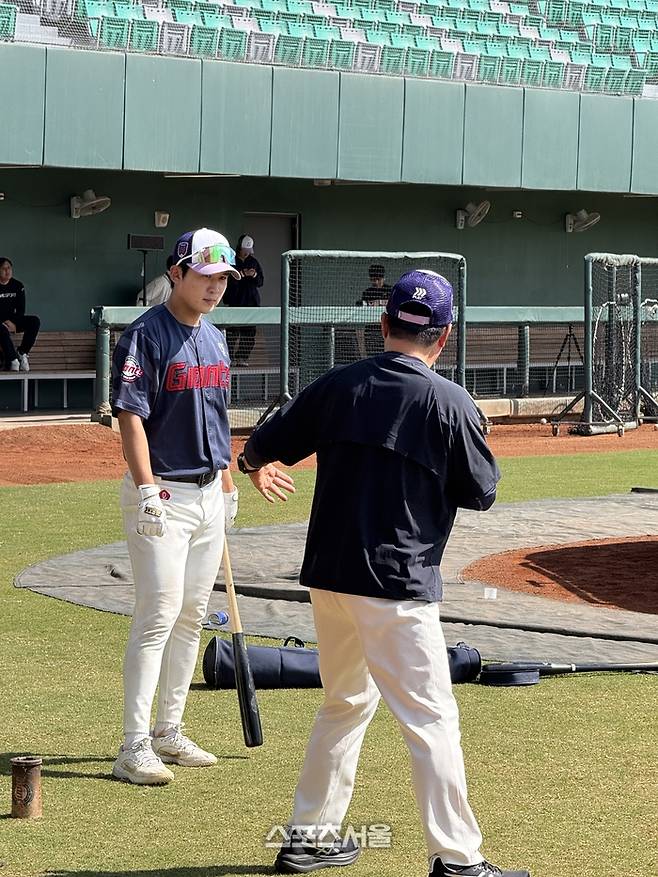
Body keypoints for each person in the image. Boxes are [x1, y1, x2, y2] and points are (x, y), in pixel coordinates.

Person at [238, 270, 529, 877]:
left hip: (329, 577)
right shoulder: (451, 402)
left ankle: (308, 837)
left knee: (345, 701)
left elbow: (260, 447)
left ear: (384, 322)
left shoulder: (340, 383)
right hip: (396, 585)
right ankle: (458, 860)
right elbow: (482, 493)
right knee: (430, 719)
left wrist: (256, 467)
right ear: (444, 336)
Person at [110, 227, 294, 786]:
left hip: (209, 493)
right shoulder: (146, 336)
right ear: (177, 273)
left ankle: (169, 729)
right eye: (206, 275)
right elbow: (130, 416)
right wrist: (145, 488)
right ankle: (133, 744)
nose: (216, 286)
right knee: (157, 615)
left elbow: (214, 417)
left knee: (192, 614)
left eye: (223, 278)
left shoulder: (213, 340)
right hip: (162, 493)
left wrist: (230, 482)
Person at [224, 234, 264, 365]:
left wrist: (254, 274)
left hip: (251, 302)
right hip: (235, 301)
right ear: (239, 248)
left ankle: (242, 358)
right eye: (244, 251)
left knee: (249, 334)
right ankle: (229, 358)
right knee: (232, 333)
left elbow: (260, 282)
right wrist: (242, 274)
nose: (247, 254)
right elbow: (229, 280)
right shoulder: (232, 261)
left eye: (249, 251)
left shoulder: (254, 262)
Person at [0, 257, 40, 372]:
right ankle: (13, 359)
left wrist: (14, 324)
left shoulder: (18, 285)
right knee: (1, 328)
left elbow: (21, 309)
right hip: (0, 323)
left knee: (34, 321)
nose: (7, 271)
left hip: (13, 320)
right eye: (3, 268)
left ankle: (22, 352)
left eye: (9, 268)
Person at [355, 263, 391, 358]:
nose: (376, 282)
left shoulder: (390, 291)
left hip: (387, 331)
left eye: (378, 279)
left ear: (383, 278)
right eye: (373, 279)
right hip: (372, 332)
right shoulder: (367, 293)